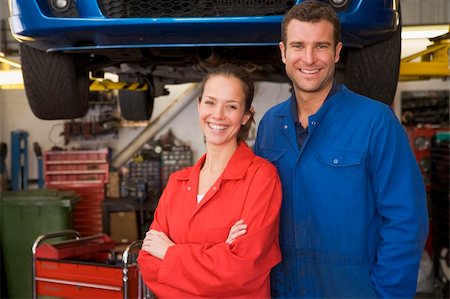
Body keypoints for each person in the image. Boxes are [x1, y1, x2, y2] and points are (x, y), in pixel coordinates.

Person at [253, 1, 429, 298]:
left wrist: (388, 294)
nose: (309, 59)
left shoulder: (376, 122)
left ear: (336, 52)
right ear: (283, 52)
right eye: (298, 46)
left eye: (321, 46)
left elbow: (406, 221)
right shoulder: (271, 124)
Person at [137, 64, 282, 298]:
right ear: (199, 106)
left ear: (246, 116)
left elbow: (242, 269)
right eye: (210, 102)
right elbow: (148, 264)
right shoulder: (177, 183)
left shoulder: (261, 177)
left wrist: (171, 253)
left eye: (231, 106)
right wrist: (220, 253)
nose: (218, 115)